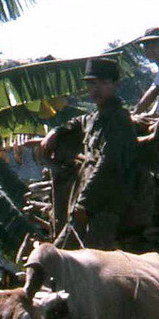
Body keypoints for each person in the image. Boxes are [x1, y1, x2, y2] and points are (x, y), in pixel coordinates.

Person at [40, 56, 136, 250]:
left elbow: (108, 165)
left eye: (103, 83)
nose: (96, 89)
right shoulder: (96, 117)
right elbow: (80, 121)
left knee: (87, 264)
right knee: (62, 255)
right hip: (88, 203)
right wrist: (56, 132)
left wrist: (83, 204)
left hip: (105, 205)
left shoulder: (118, 120)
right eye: (92, 84)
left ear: (115, 85)